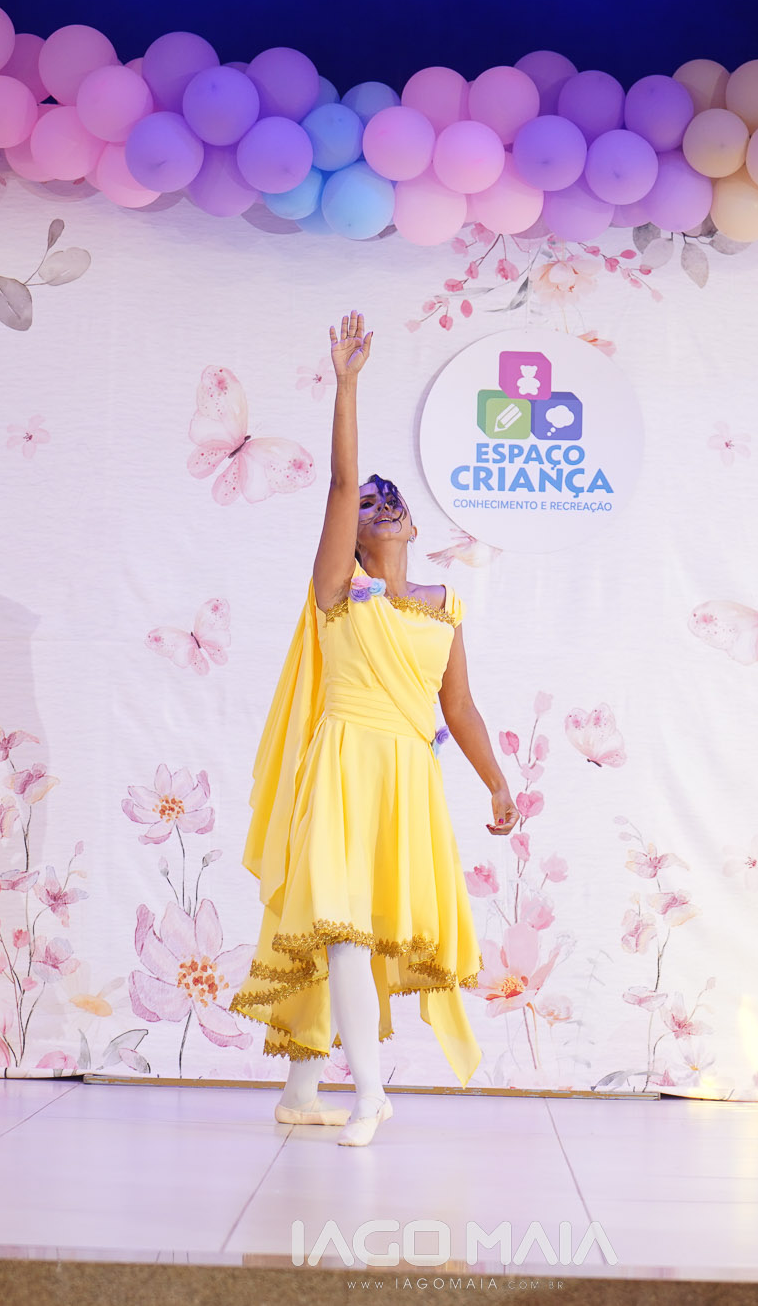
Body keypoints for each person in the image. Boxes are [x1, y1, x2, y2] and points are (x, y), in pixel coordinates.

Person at [226, 311, 517, 1147]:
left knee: (349, 928)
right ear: (350, 534)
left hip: (407, 779)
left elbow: (459, 707)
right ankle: (369, 1095)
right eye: (367, 503)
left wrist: (497, 782)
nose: (380, 503)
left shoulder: (444, 605)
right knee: (341, 928)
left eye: (394, 500)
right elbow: (340, 481)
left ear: (415, 526)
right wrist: (346, 385)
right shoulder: (336, 594)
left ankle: (300, 1089)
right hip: (345, 765)